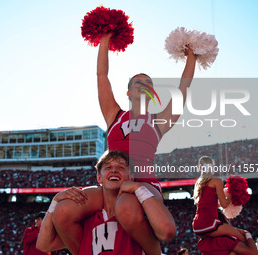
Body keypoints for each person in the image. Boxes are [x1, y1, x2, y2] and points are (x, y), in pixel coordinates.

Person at [52, 32, 196, 254]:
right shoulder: (115, 115)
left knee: (126, 208)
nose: (143, 84)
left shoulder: (158, 120)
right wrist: (104, 39)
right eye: (138, 82)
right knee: (63, 212)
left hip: (143, 182)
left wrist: (192, 57)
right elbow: (102, 75)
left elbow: (183, 90)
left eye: (148, 83)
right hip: (111, 182)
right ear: (128, 92)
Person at [37, 150, 176, 254]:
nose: (114, 170)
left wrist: (139, 188)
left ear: (131, 177)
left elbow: (166, 231)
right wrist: (55, 201)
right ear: (99, 178)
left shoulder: (138, 214)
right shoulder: (85, 220)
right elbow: (43, 245)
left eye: (121, 167)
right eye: (108, 167)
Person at [192, 156, 246, 242]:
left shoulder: (198, 183)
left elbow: (211, 204)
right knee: (242, 238)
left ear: (200, 168)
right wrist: (230, 193)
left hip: (197, 226)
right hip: (209, 223)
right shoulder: (216, 180)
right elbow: (224, 205)